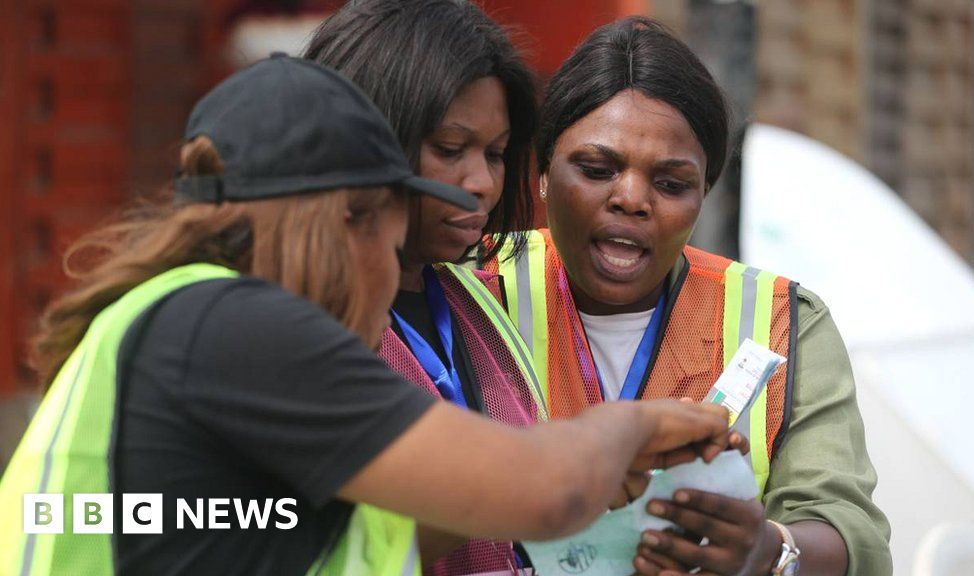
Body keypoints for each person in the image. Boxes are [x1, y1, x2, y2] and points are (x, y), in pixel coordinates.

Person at [0, 55, 741, 576]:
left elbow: (303, 542)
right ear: (348, 221)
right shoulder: (240, 326)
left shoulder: (178, 322)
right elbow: (549, 490)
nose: (393, 280)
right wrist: (630, 426)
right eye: (392, 245)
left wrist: (586, 471)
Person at [485, 17, 893, 576]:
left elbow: (852, 532)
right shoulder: (470, 285)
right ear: (542, 174)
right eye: (597, 169)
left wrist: (769, 550)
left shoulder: (783, 322)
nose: (631, 199)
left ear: (704, 193)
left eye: (672, 184)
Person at [304, 2, 545, 573]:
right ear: (370, 141)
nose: (481, 184)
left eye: (496, 154)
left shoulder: (478, 299)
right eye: (449, 149)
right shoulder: (298, 318)